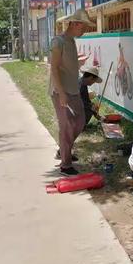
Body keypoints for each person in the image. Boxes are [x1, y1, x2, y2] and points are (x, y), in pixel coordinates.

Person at [49, 9, 96, 176]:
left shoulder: (72, 41)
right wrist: (61, 93)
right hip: (61, 91)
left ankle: (63, 149)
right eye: (83, 27)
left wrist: (77, 63)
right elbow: (54, 68)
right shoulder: (58, 41)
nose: (84, 31)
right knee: (67, 126)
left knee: (80, 121)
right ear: (75, 24)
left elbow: (66, 63)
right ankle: (65, 165)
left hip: (74, 89)